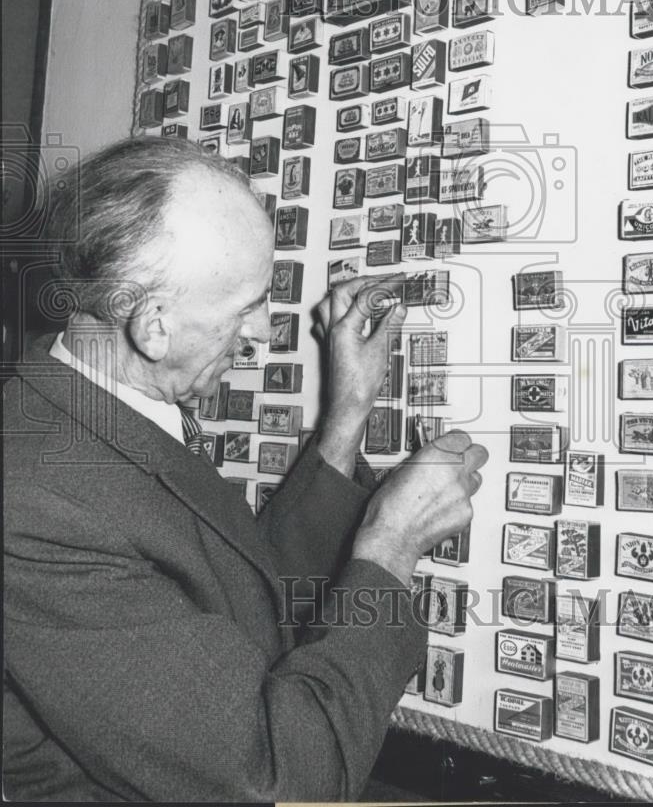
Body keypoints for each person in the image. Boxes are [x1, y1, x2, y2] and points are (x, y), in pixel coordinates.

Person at [3, 136, 487, 802]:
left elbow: (242, 605)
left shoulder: (95, 403)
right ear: (153, 328)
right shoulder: (33, 502)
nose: (264, 330)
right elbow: (283, 781)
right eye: (248, 306)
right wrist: (391, 545)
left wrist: (346, 415)